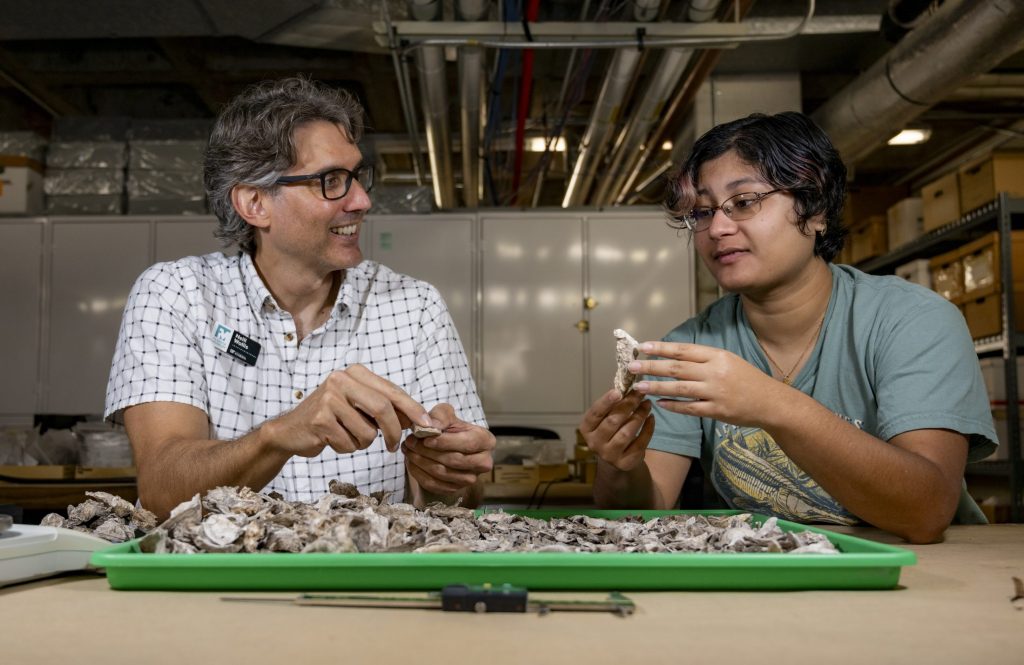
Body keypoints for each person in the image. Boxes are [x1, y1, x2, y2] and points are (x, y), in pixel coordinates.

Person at [580, 111, 997, 544]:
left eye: (743, 202)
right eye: (703, 212)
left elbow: (926, 513)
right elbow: (646, 516)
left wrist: (772, 404)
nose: (717, 228)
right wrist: (618, 465)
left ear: (815, 210)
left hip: (927, 579)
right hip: (770, 584)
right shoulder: (688, 345)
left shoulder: (911, 320)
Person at [105, 76, 494, 518]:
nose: (362, 200)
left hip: (367, 580)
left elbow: (467, 495)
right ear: (254, 203)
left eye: (357, 176)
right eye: (332, 180)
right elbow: (162, 489)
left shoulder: (415, 306)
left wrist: (447, 473)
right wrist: (279, 435)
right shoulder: (177, 294)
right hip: (211, 581)